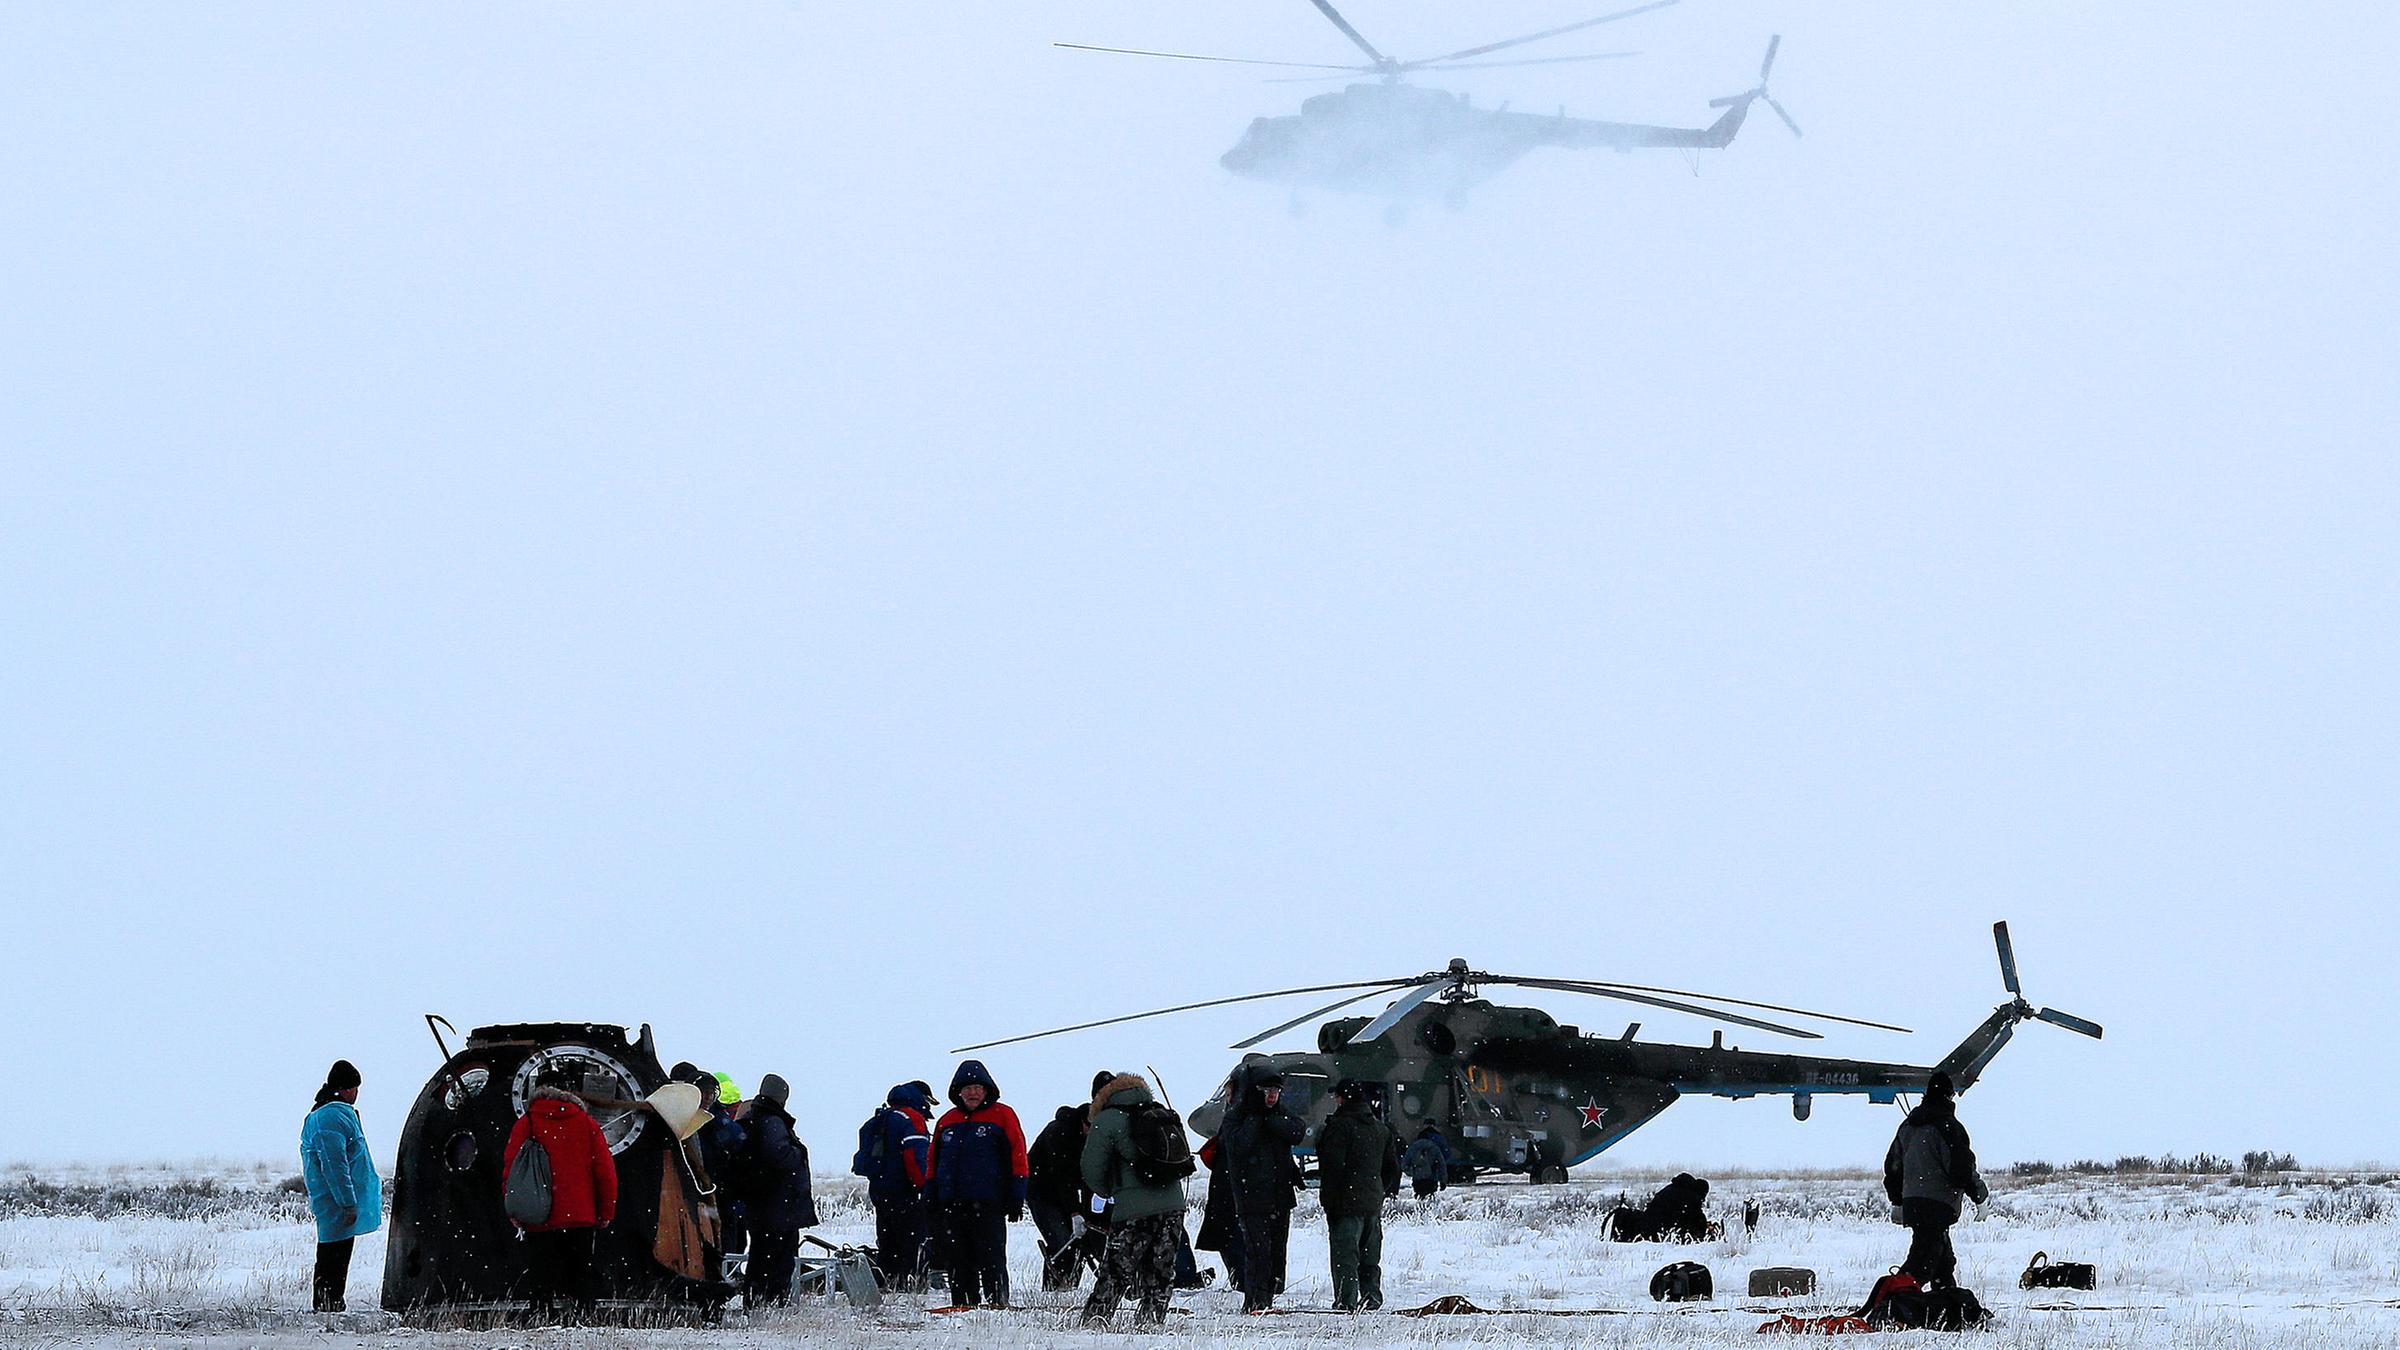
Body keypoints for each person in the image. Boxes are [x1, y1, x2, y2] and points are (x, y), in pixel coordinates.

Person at [503, 1075, 619, 1321]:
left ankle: (541, 1317)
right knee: (581, 1273)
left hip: (539, 1212)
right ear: (570, 1091)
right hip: (581, 1215)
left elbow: (512, 1169)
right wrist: (606, 1211)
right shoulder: (586, 1123)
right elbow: (605, 1172)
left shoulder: (527, 1123)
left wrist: (513, 1209)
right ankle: (584, 1317)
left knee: (541, 1275)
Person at [1078, 1072, 1189, 1328]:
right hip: (1173, 1205)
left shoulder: (1107, 1119)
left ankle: (1094, 1322)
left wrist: (1110, 1191)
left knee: (1116, 1270)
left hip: (1133, 1209)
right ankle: (1150, 1322)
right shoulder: (1159, 1112)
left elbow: (1091, 1168)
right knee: (1161, 1271)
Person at [924, 1060, 1028, 1308]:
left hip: (989, 1202)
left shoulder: (1003, 1115)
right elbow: (933, 1159)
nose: (973, 1093)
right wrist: (930, 1191)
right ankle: (963, 1304)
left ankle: (997, 1303)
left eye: (978, 1088)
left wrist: (1017, 1193)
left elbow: (1018, 1155)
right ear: (958, 1092)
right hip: (953, 1203)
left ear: (987, 1090)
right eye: (967, 1088)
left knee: (992, 1257)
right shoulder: (947, 1120)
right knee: (958, 1259)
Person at [1883, 1072, 1988, 1290]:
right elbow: (1962, 1169)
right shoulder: (1949, 1127)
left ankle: (1946, 1302)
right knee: (1922, 1263)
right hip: (1938, 1205)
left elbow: (1893, 1167)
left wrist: (1898, 1201)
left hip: (1913, 1203)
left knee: (1942, 1262)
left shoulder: (1908, 1126)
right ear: (1949, 1096)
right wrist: (1979, 1197)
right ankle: (1893, 1299)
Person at [1215, 1067, 1304, 1312]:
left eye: (1276, 1090)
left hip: (1280, 1197)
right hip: (1251, 1197)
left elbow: (1297, 1131)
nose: (1272, 1096)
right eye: (1267, 1090)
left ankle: (1267, 1299)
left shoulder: (1279, 1114)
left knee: (1276, 1253)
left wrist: (1270, 1119)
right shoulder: (1237, 1117)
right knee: (1257, 1252)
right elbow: (1240, 1145)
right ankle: (1255, 1301)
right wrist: (1257, 1118)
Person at [299, 1059, 381, 1312]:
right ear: (346, 1089)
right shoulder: (330, 1117)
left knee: (337, 1251)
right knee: (332, 1254)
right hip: (335, 1201)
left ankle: (331, 1303)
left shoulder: (332, 1114)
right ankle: (327, 1305)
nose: (356, 1094)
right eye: (355, 1088)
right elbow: (335, 1165)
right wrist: (347, 1202)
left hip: (337, 1199)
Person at [1313, 1079, 1401, 1312]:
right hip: (1372, 1203)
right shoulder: (1380, 1129)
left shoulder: (1339, 1127)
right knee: (1370, 1257)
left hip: (1345, 1203)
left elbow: (1332, 1168)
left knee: (1346, 1256)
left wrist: (1329, 1200)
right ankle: (1371, 1297)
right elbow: (1392, 1168)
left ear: (1342, 1099)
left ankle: (1346, 1301)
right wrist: (1378, 1190)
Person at [737, 1073, 819, 1306]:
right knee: (779, 1258)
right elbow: (779, 1154)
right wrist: (799, 1152)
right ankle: (774, 1301)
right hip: (778, 1206)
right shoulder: (772, 1121)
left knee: (760, 1256)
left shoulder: (753, 1117)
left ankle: (756, 1300)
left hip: (761, 1203)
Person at [1029, 1071, 1112, 1291]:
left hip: (1068, 1191)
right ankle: (1052, 1291)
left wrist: (1090, 1213)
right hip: (1042, 1192)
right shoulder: (1059, 1132)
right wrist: (1075, 1212)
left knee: (1082, 1241)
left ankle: (1070, 1287)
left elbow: (1090, 1178)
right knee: (1062, 1240)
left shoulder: (1099, 1138)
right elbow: (1062, 1176)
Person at [853, 1082, 934, 1292]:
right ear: (920, 1098)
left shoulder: (882, 1118)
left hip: (880, 1190)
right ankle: (914, 1286)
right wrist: (925, 1187)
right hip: (905, 1191)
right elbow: (915, 1157)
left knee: (888, 1240)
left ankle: (888, 1282)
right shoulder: (912, 1119)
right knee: (914, 1240)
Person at [1402, 1125, 1453, 1200]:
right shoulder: (1434, 1148)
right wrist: (1443, 1181)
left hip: (1418, 1180)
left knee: (1419, 1199)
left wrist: (1413, 1171)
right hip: (1431, 1179)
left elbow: (1404, 1165)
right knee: (1430, 1199)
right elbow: (1442, 1165)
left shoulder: (1413, 1148)